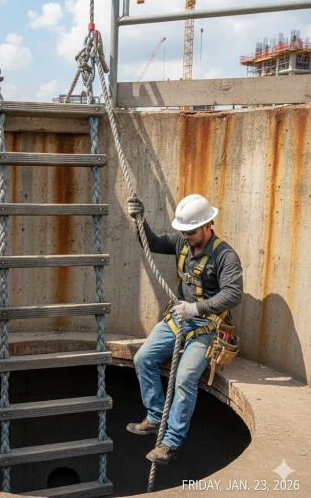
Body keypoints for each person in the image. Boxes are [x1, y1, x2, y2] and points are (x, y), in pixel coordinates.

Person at [126, 194, 243, 465]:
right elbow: (153, 243)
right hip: (179, 317)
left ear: (207, 225)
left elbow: (233, 294)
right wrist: (140, 221)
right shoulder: (182, 242)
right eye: (183, 231)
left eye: (190, 232)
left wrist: (196, 309)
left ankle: (171, 443)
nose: (185, 236)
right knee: (143, 358)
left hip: (208, 324)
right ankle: (155, 417)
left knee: (184, 378)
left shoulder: (225, 256)